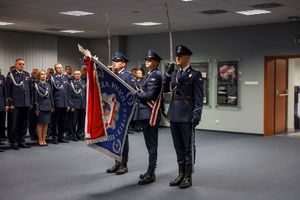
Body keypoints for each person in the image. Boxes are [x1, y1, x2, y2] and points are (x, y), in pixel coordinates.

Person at [163, 45, 203, 189]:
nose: (177, 58)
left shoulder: (195, 74)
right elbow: (164, 90)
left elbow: (199, 97)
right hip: (174, 114)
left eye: (180, 56)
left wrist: (197, 114)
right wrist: (167, 75)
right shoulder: (174, 74)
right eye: (176, 56)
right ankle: (180, 174)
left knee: (187, 148)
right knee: (178, 147)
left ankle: (188, 176)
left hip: (186, 115)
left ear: (187, 57)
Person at [106, 52, 136, 175]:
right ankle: (117, 163)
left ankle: (124, 164)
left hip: (123, 112)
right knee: (115, 136)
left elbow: (133, 93)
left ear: (123, 63)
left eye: (117, 61)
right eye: (114, 61)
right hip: (114, 111)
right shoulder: (114, 75)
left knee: (123, 137)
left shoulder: (128, 76)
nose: (114, 63)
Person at [136, 50, 163, 185]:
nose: (147, 61)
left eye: (150, 59)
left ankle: (151, 173)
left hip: (150, 114)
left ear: (156, 62)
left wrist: (136, 94)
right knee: (150, 145)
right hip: (146, 113)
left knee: (151, 146)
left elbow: (150, 95)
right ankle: (149, 171)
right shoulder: (150, 74)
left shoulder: (155, 75)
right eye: (146, 59)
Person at [6, 58, 32, 150]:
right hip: (15, 103)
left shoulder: (26, 74)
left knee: (24, 123)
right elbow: (8, 91)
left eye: (23, 64)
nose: (22, 65)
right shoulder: (11, 75)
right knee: (14, 124)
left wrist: (30, 102)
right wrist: (10, 103)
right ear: (16, 65)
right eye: (20, 64)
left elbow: (30, 90)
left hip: (26, 103)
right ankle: (14, 142)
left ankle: (22, 141)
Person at [50, 63, 71, 144]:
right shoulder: (52, 78)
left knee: (63, 121)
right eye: (58, 68)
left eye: (61, 67)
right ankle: (54, 137)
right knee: (55, 121)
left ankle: (61, 137)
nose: (60, 69)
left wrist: (69, 104)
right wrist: (52, 105)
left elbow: (68, 92)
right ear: (55, 69)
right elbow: (51, 93)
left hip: (65, 104)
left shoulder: (65, 77)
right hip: (56, 103)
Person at [34, 70, 54, 146]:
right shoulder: (36, 85)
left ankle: (44, 139)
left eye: (44, 74)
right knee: (40, 124)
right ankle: (40, 139)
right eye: (41, 74)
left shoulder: (48, 84)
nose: (43, 75)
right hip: (41, 106)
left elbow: (51, 96)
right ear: (39, 76)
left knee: (46, 124)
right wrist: (37, 108)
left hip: (48, 106)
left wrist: (52, 106)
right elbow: (35, 98)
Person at [70, 70, 86, 141]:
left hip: (83, 105)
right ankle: (74, 135)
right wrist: (72, 105)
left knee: (81, 121)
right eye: (76, 74)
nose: (77, 75)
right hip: (75, 105)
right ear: (74, 75)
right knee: (74, 121)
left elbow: (85, 94)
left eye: (79, 74)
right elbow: (69, 95)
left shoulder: (83, 82)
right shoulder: (71, 83)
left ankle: (80, 134)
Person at [29, 68, 39, 141]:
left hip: (38, 104)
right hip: (32, 103)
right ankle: (32, 135)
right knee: (32, 120)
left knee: (37, 120)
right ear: (32, 73)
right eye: (34, 72)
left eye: (36, 73)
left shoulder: (38, 81)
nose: (35, 74)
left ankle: (36, 134)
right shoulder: (29, 80)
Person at [0, 68, 8, 152]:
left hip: (1, 104)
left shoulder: (2, 77)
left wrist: (6, 104)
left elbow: (5, 91)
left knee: (1, 124)